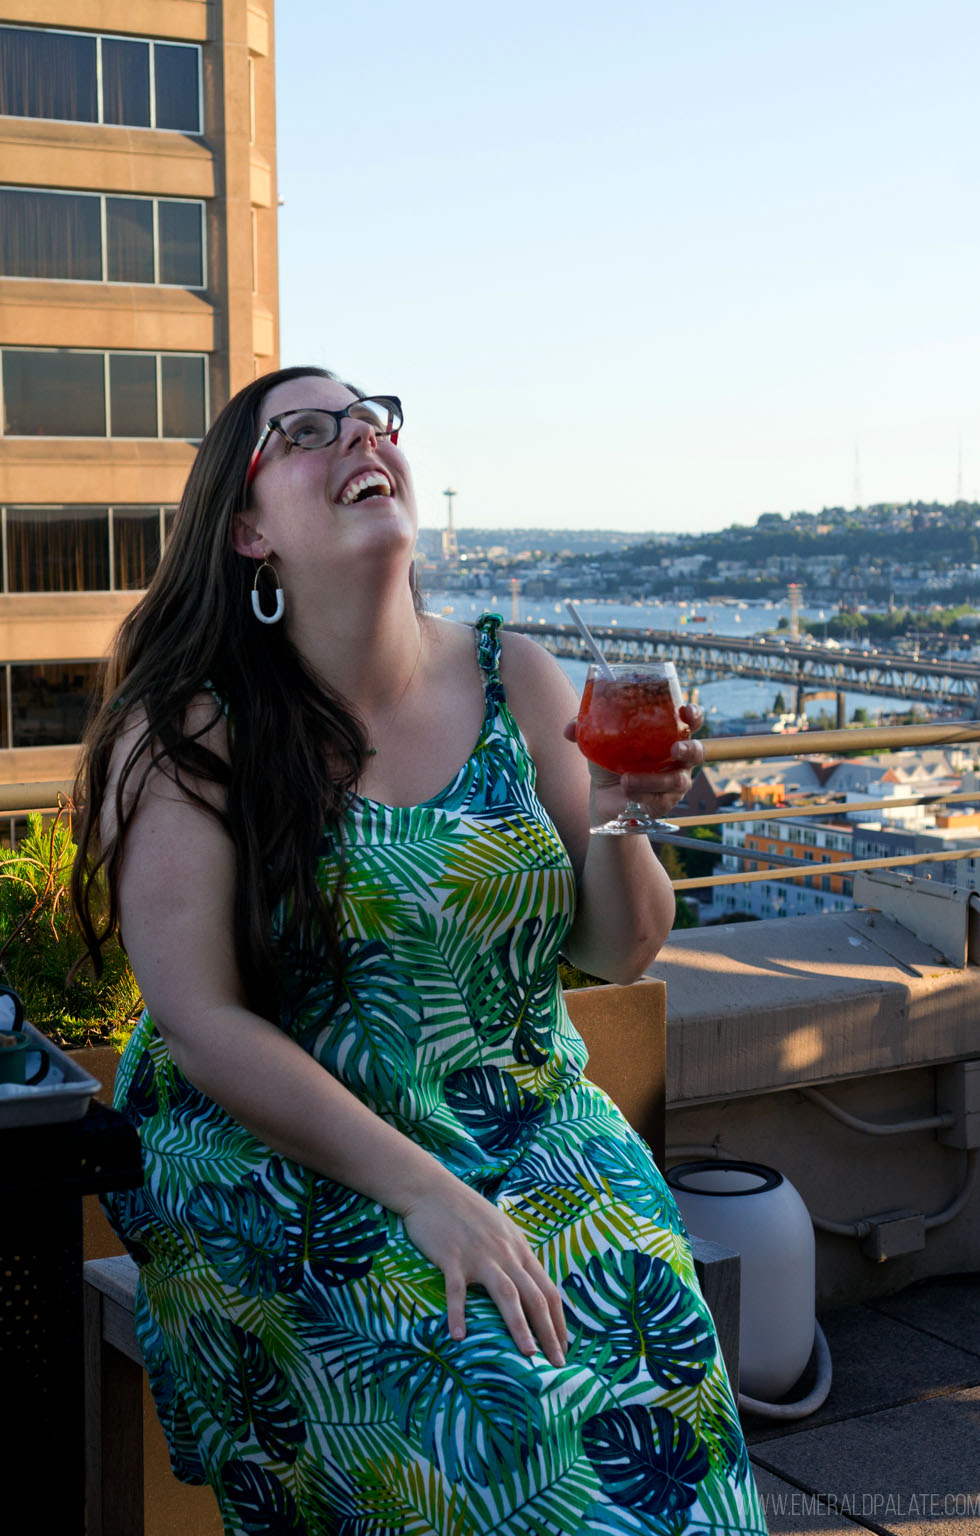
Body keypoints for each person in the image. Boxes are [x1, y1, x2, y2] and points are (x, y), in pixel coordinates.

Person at [73, 367, 766, 1535]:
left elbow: (616, 948)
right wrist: (425, 1191)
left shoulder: (518, 675)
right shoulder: (193, 729)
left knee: (661, 1373)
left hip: (532, 1127)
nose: (359, 438)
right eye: (305, 433)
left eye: (370, 419)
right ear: (248, 531)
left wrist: (628, 810)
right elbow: (201, 1019)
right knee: (486, 1422)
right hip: (288, 1152)